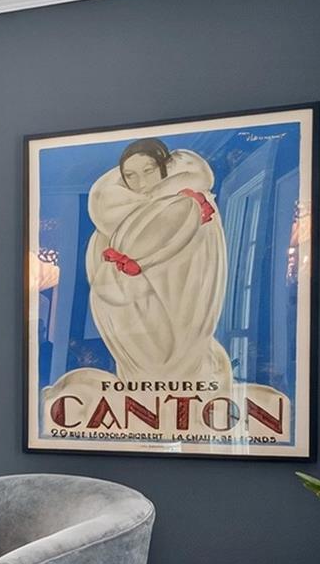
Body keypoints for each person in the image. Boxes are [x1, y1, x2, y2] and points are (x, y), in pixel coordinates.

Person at [84, 138, 231, 394]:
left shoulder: (190, 203)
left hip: (181, 315)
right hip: (130, 322)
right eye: (130, 175)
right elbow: (101, 273)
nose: (140, 183)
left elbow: (201, 266)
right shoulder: (109, 219)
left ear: (164, 168)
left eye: (148, 171)